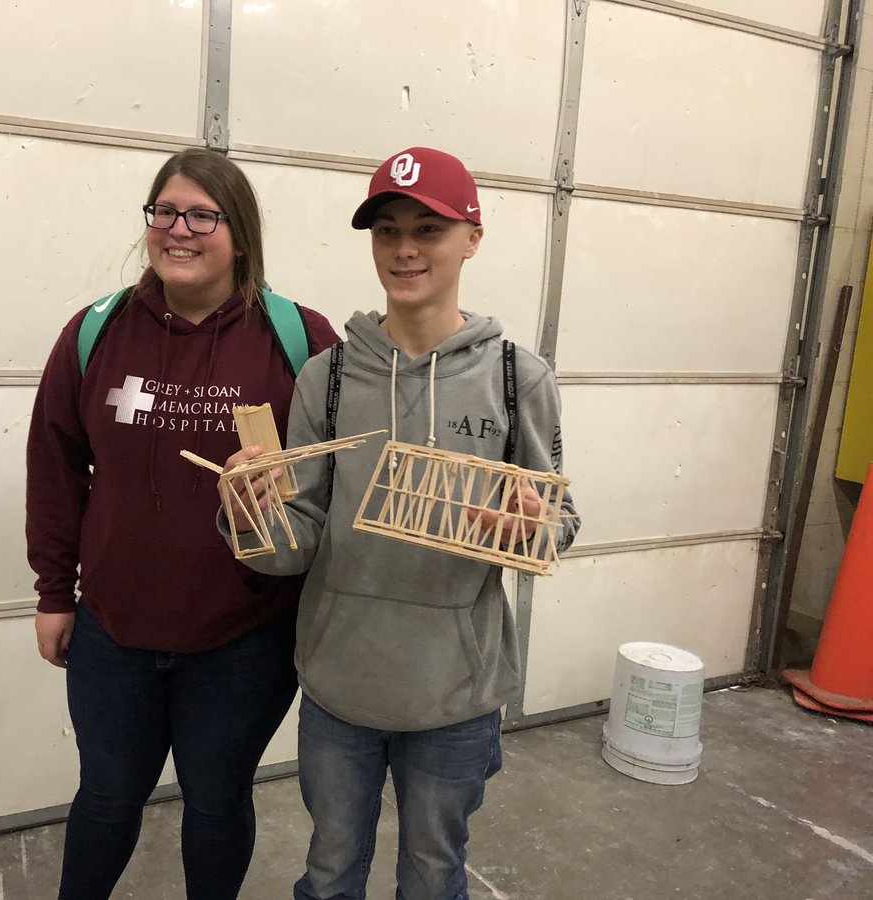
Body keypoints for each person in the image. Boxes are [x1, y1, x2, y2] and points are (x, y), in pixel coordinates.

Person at [220, 147, 580, 900]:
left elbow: (555, 521)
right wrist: (251, 519)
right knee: (328, 874)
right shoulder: (329, 375)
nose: (406, 250)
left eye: (429, 229)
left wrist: (531, 527)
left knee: (433, 873)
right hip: (339, 686)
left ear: (472, 238)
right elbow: (302, 535)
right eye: (387, 231)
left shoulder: (517, 378)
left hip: (456, 692)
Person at [26, 147, 340, 900]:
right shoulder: (95, 333)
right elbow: (55, 468)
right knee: (105, 797)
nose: (180, 229)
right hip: (112, 633)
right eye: (164, 211)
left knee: (216, 804)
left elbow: (337, 482)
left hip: (244, 638)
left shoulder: (300, 339)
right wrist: (53, 593)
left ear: (240, 233)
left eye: (204, 214)